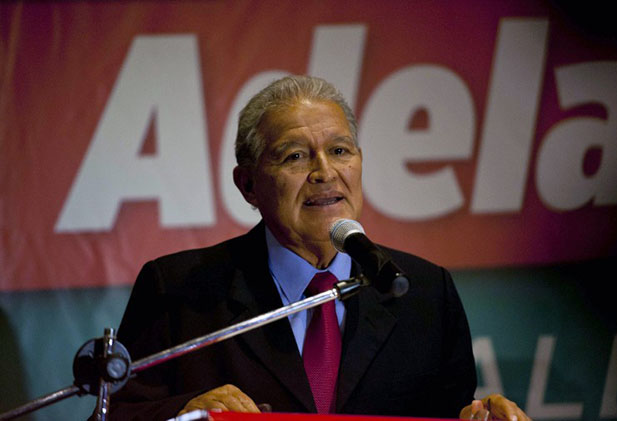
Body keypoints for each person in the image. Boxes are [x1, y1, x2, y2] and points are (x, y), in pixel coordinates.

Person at [110, 75, 529, 421]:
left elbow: (449, 413)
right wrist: (183, 413)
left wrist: (484, 417)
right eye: (295, 156)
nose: (325, 172)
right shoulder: (178, 289)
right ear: (248, 184)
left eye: (340, 151)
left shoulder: (423, 292)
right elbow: (119, 412)